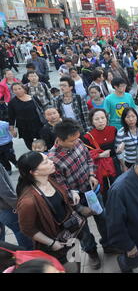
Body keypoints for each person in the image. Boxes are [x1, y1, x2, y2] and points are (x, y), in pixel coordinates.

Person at [48, 119, 111, 268]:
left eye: (77, 138)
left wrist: (91, 174)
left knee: (103, 218)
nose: (77, 142)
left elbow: (89, 159)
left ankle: (109, 244)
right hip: (75, 201)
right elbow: (61, 189)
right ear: (60, 139)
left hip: (91, 191)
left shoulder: (78, 142)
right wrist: (78, 208)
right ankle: (92, 253)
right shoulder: (53, 160)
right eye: (72, 140)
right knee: (83, 230)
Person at [15, 152, 80, 267]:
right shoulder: (28, 201)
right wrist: (51, 243)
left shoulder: (49, 178)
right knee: (67, 267)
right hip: (55, 244)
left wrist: (72, 193)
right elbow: (27, 228)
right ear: (34, 172)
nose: (52, 162)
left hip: (70, 235)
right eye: (45, 162)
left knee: (76, 262)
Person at [82, 109, 120, 199]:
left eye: (103, 118)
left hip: (115, 163)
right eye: (97, 119)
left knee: (118, 186)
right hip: (99, 167)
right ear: (92, 121)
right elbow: (86, 156)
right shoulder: (87, 137)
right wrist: (100, 155)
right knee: (105, 191)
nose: (100, 121)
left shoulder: (113, 130)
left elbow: (116, 147)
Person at [0, 164, 33, 249]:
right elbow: (5, 191)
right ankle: (28, 257)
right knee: (22, 233)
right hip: (6, 208)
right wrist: (17, 205)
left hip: (4, 208)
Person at [8, 83, 44, 150]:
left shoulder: (33, 98)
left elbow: (41, 110)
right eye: (15, 89)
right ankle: (35, 157)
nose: (18, 91)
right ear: (12, 91)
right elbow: (11, 117)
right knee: (29, 145)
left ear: (24, 89)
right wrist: (12, 130)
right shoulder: (12, 103)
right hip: (23, 126)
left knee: (42, 142)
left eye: (19, 88)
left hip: (37, 123)